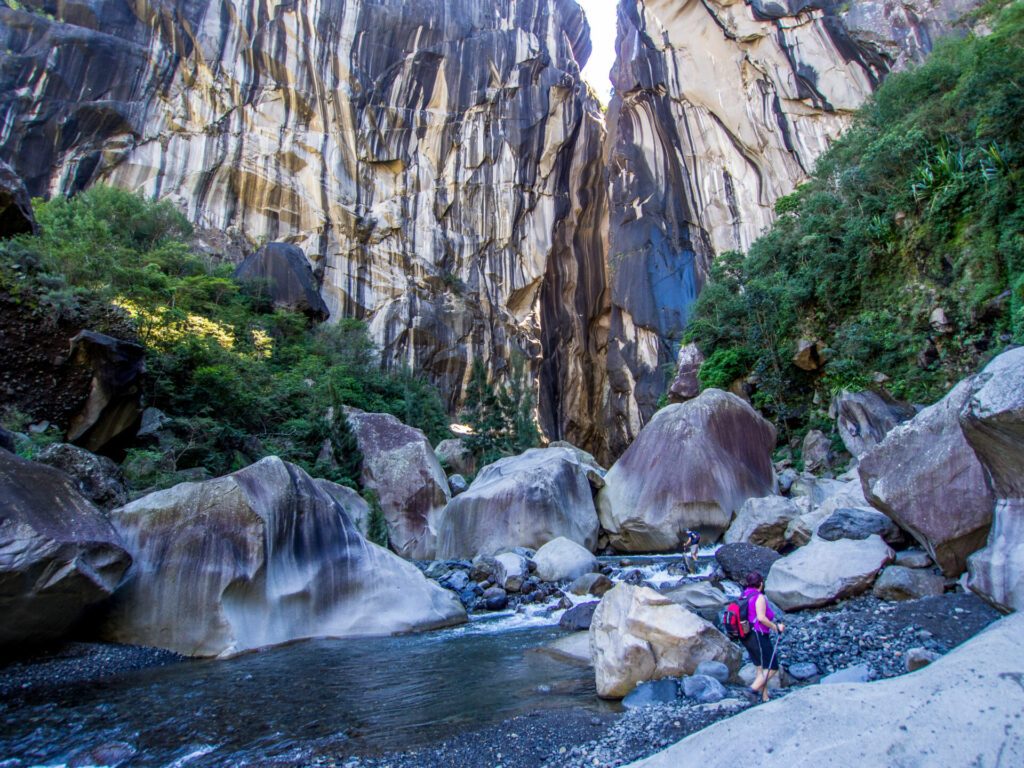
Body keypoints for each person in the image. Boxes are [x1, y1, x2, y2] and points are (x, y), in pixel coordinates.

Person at [740, 571, 784, 702]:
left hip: (746, 635)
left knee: (760, 667)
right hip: (758, 634)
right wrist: (776, 628)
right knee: (772, 667)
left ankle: (764, 697)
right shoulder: (759, 597)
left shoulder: (743, 596)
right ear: (761, 584)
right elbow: (761, 618)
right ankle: (752, 689)